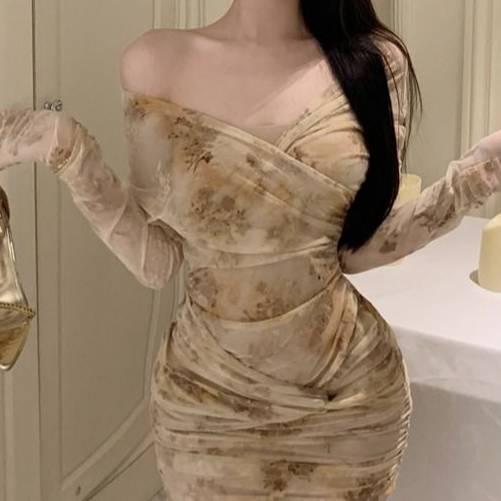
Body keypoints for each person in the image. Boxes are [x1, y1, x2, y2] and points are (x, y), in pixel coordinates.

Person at [1, 0, 501, 499]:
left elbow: (354, 250)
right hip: (207, 407)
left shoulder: (374, 61)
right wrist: (69, 151)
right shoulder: (155, 63)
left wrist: (476, 176)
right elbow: (158, 261)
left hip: (348, 404)